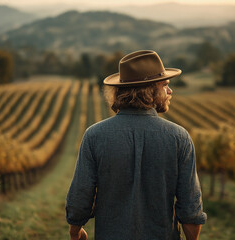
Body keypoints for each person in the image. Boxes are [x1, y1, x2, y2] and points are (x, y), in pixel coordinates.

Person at [66, 50, 207, 240]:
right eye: (165, 85)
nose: (170, 91)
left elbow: (80, 198)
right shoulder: (179, 138)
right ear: (148, 90)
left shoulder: (94, 136)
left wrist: (76, 232)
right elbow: (190, 210)